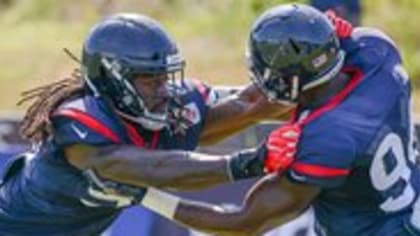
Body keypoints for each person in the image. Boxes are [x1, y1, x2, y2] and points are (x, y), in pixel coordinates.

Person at [84, 4, 420, 236]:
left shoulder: (323, 140)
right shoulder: (376, 49)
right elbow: (338, 47)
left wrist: (143, 196)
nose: (257, 82)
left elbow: (244, 222)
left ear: (290, 79)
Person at [0, 13, 294, 236]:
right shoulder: (80, 122)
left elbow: (250, 102)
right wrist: (252, 162)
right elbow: (155, 168)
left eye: (164, 77)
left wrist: (329, 88)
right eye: (149, 80)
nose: (164, 89)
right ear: (111, 80)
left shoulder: (171, 104)